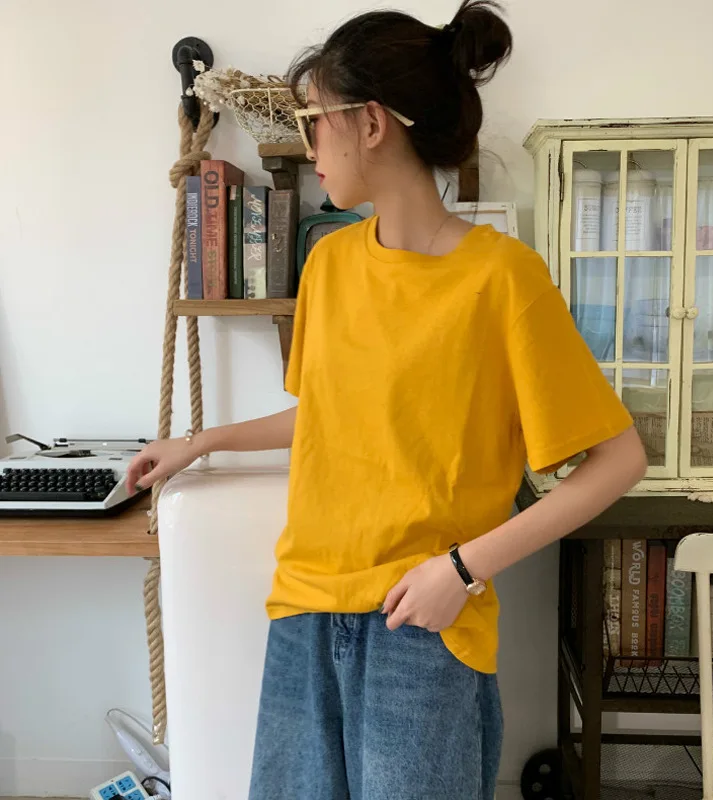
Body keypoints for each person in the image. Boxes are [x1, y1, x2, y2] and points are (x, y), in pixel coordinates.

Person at [126, 1, 647, 797]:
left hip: (421, 628)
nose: (310, 146)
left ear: (370, 123)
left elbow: (618, 460)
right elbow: (333, 416)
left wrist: (462, 570)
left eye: (313, 121)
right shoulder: (330, 266)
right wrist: (198, 443)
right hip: (304, 607)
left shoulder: (502, 278)